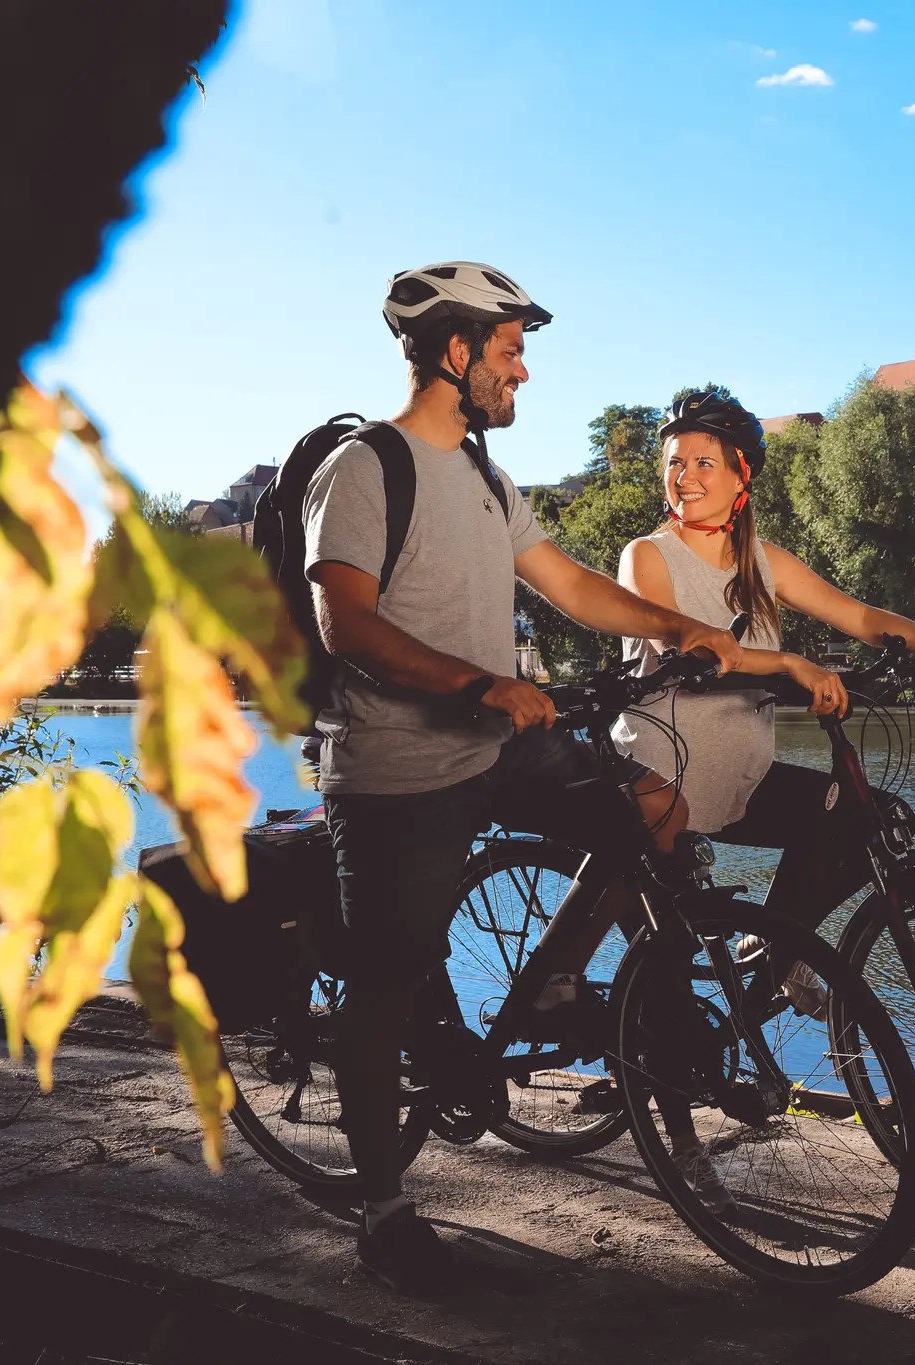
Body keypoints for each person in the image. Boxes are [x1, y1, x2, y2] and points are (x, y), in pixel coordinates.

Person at [303, 265, 742, 1296]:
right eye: (508, 351)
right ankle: (381, 1208)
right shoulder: (368, 469)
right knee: (385, 988)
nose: (523, 371)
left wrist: (673, 626)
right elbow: (346, 621)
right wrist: (475, 683)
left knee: (650, 804)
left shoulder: (491, 482)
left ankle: (594, 998)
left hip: (498, 743)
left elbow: (571, 586)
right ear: (454, 354)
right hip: (398, 765)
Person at [600, 388, 915, 1208]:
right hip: (660, 782)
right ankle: (679, 1148)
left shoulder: (762, 562)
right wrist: (793, 666)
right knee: (665, 969)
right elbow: (692, 643)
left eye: (704, 461)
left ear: (742, 475)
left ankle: (776, 956)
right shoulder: (648, 555)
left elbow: (854, 613)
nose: (685, 476)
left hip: (739, 779)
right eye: (675, 463)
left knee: (865, 814)